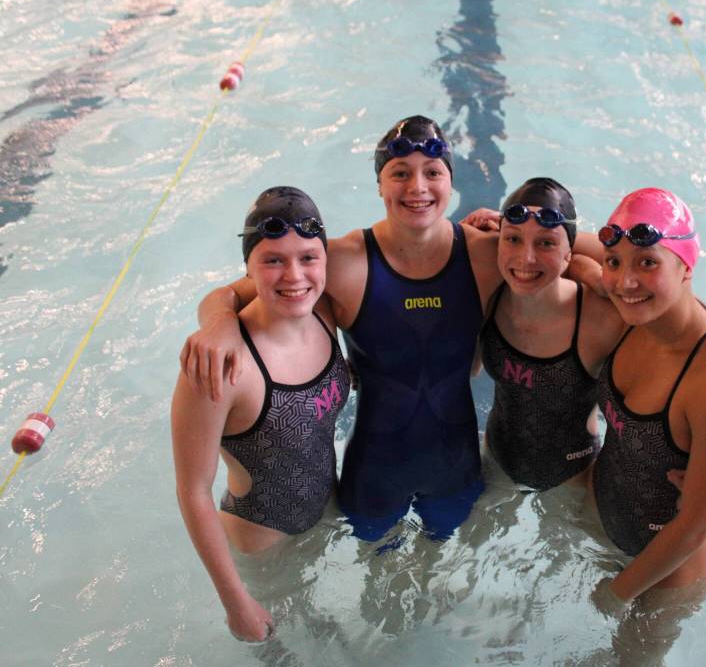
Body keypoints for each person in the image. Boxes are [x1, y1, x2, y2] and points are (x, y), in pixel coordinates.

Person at [180, 116, 509, 542]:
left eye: (432, 173)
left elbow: (560, 255)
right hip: (373, 474)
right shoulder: (342, 261)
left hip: (457, 468)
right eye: (400, 173)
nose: (417, 188)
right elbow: (230, 293)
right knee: (378, 576)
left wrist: (513, 228)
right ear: (379, 184)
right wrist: (220, 324)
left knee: (443, 568)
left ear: (450, 181)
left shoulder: (488, 255)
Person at [171, 186, 350, 641]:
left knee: (323, 629)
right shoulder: (218, 365)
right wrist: (235, 604)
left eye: (308, 258)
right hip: (264, 548)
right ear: (248, 268)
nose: (294, 275)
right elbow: (193, 492)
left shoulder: (323, 310)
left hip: (326, 510)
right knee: (279, 649)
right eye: (273, 260)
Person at [589, 188, 706, 661]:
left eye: (648, 263)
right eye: (614, 262)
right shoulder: (635, 311)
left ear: (686, 266)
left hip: (667, 576)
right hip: (608, 525)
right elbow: (570, 248)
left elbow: (693, 528)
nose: (626, 281)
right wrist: (509, 224)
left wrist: (617, 593)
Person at [478, 177, 625, 490]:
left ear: (569, 252)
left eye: (546, 243)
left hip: (572, 478)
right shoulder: (488, 292)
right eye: (513, 239)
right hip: (496, 458)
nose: (526, 259)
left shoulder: (601, 319)